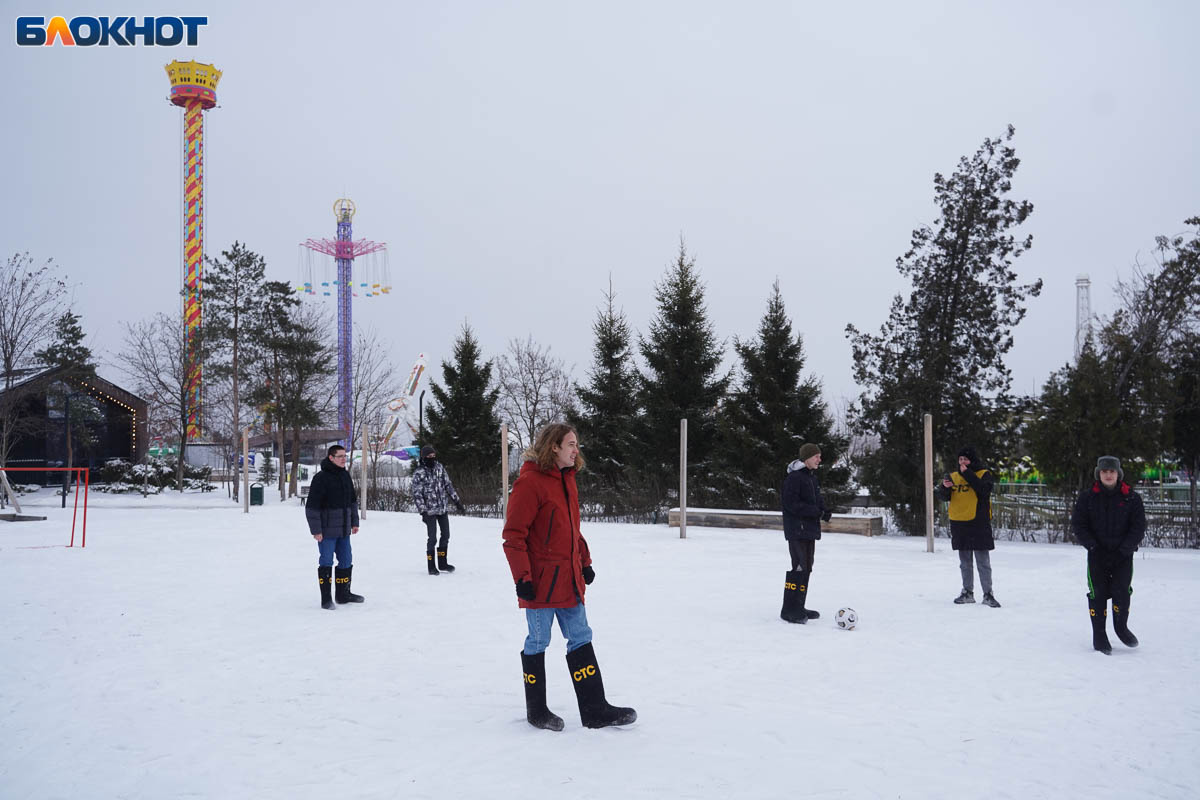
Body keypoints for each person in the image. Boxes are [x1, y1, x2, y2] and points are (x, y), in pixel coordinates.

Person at [501, 422, 636, 731]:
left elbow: (572, 529)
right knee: (538, 639)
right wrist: (523, 578)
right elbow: (513, 537)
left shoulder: (567, 480)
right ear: (554, 447)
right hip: (539, 582)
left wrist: (584, 561)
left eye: (577, 445)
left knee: (581, 636)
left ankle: (595, 708)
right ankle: (537, 710)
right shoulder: (530, 483)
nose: (577, 450)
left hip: (569, 578)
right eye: (572, 444)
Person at [1071, 455, 1146, 655]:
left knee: (1121, 591)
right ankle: (1099, 634)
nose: (1108, 475)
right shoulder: (1088, 497)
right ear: (1099, 474)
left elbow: (1139, 527)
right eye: (1104, 471)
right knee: (1098, 593)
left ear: (1118, 474)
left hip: (1123, 556)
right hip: (1097, 555)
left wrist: (1125, 549)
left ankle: (1121, 628)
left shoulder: (1131, 497)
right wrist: (1092, 547)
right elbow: (1079, 524)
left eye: (1112, 471)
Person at [938, 445, 999, 607]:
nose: (962, 462)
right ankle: (967, 592)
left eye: (965, 459)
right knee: (965, 562)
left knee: (983, 561)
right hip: (959, 523)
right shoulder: (952, 476)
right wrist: (944, 488)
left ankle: (988, 594)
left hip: (978, 522)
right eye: (960, 459)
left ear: (972, 460)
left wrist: (968, 474)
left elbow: (984, 491)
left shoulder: (983, 474)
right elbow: (944, 497)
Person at [305, 444, 364, 610]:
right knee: (326, 561)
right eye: (340, 456)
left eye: (345, 456)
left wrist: (354, 521)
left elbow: (352, 501)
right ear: (331, 458)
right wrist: (316, 530)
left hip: (344, 529)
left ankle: (343, 594)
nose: (344, 459)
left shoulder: (345, 475)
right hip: (326, 530)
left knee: (346, 560)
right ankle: (326, 599)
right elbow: (311, 508)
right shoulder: (321, 478)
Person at [780, 443, 833, 624]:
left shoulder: (811, 478)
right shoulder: (794, 478)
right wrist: (814, 512)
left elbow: (817, 501)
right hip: (797, 530)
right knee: (799, 567)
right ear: (807, 458)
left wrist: (824, 511)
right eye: (816, 456)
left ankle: (799, 606)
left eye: (819, 456)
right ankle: (789, 609)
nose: (819, 459)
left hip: (809, 531)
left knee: (807, 567)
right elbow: (791, 504)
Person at [410, 445, 465, 575]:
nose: (432, 458)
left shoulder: (440, 468)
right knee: (432, 538)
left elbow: (448, 485)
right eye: (429, 457)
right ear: (423, 458)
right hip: (429, 511)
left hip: (442, 509)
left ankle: (442, 563)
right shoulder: (419, 473)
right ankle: (431, 566)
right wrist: (422, 511)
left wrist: (457, 501)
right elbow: (416, 493)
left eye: (433, 456)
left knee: (446, 535)